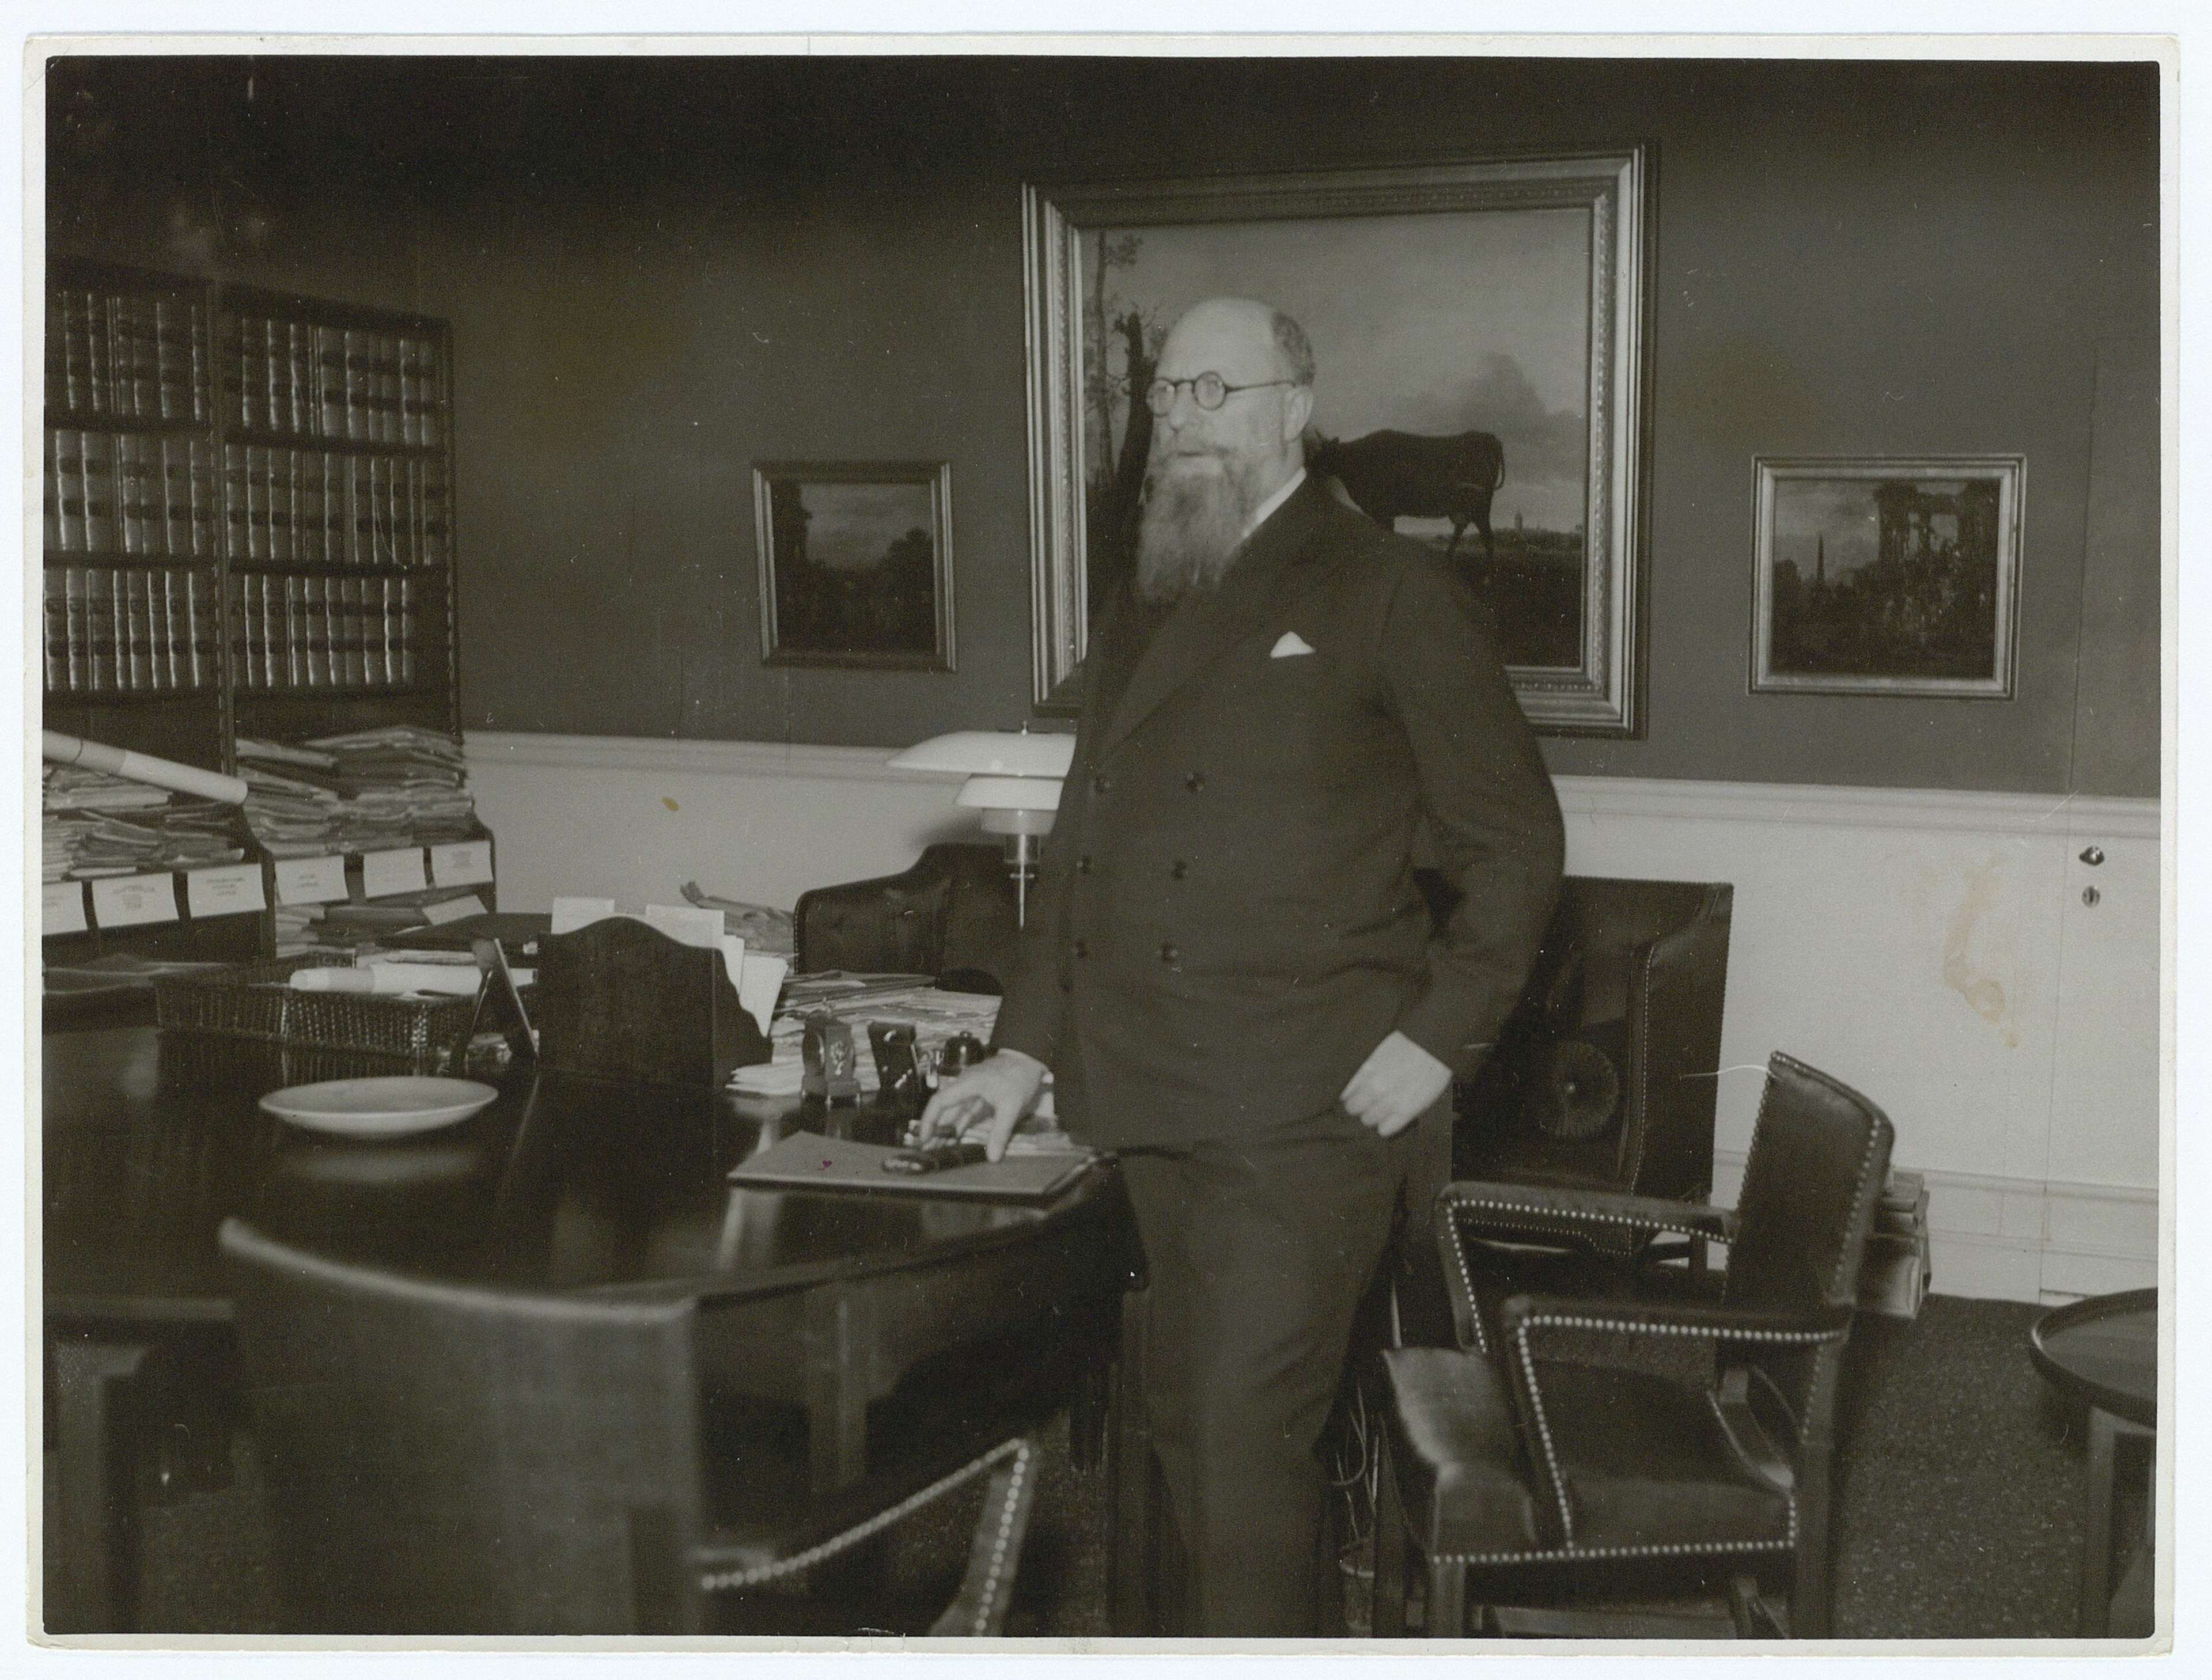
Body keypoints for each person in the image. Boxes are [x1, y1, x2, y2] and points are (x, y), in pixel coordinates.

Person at [920, 296, 1565, 1635]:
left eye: (1216, 393)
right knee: (1172, 1435)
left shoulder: (1391, 589)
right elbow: (1087, 845)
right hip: (1146, 1094)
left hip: (1302, 1111)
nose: (1182, 423)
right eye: (1165, 397)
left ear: (1292, 408)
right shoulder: (1158, 584)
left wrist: (1436, 1036)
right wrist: (1021, 1051)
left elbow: (1515, 846)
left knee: (1239, 1445)